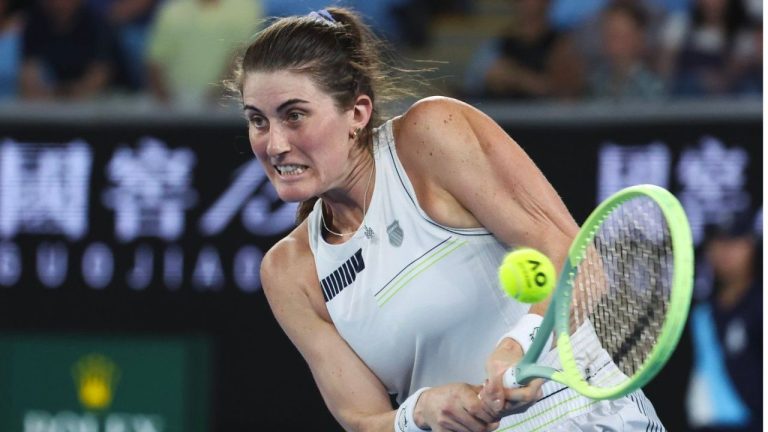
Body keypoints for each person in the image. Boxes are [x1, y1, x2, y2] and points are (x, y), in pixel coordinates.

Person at [233, 7, 665, 431]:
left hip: (584, 416)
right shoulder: (289, 272)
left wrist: (521, 345)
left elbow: (575, 258)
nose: (274, 144)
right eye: (258, 121)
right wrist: (418, 413)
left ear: (358, 113)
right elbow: (364, 421)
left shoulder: (430, 135)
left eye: (294, 115)